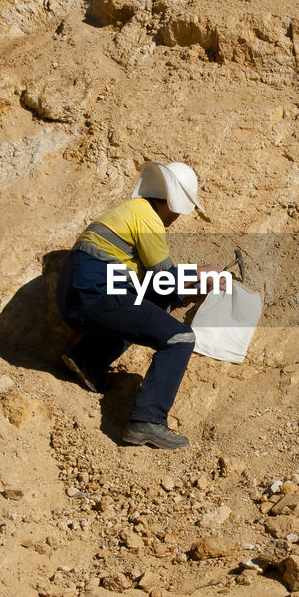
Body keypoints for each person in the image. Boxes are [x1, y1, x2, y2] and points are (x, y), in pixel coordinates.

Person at [54, 161, 219, 449]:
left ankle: (86, 359)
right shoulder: (148, 219)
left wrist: (188, 290)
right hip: (96, 295)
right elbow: (164, 276)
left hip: (78, 296)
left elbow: (155, 287)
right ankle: (148, 422)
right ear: (172, 202)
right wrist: (200, 271)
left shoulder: (130, 212)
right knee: (180, 338)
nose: (178, 217)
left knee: (154, 302)